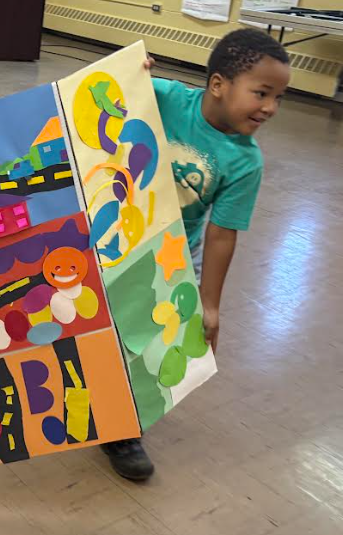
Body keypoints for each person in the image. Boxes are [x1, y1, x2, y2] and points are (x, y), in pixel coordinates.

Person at [102, 28, 291, 481]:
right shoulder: (169, 99)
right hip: (112, 236)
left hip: (171, 258)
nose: (270, 107)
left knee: (146, 341)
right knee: (97, 321)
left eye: (278, 98)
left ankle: (122, 430)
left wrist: (210, 304)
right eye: (262, 93)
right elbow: (103, 91)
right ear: (219, 84)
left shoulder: (245, 161)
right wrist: (128, 72)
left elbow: (223, 233)